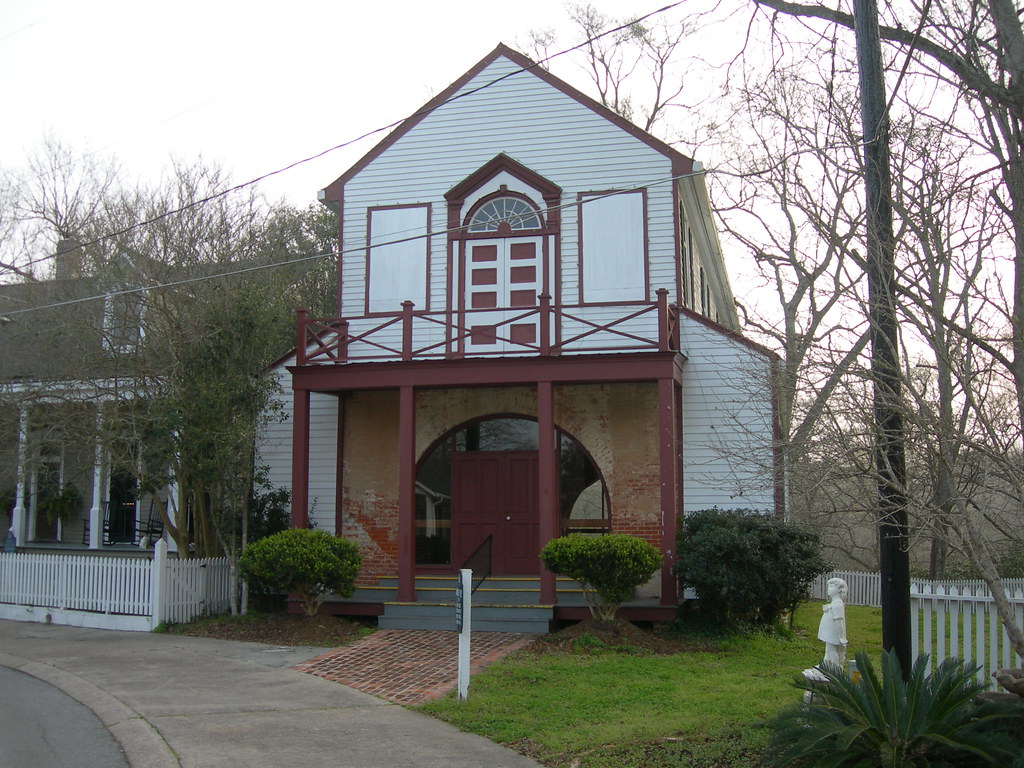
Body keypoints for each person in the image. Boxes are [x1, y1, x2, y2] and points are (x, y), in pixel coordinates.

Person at [818, 577, 848, 668]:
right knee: (828, 649)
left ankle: (835, 668)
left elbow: (839, 622)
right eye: (828, 587)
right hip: (828, 632)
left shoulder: (838, 605)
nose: (828, 589)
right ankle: (826, 665)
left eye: (831, 587)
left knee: (832, 650)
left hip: (833, 633)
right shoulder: (834, 603)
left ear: (839, 590)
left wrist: (842, 637)